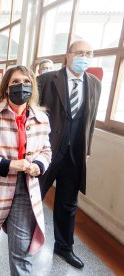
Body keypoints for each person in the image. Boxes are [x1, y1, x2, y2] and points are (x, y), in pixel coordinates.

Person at [0, 65, 52, 276]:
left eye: (25, 81)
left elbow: (46, 150)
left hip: (25, 189)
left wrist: (38, 165)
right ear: (6, 88)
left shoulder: (41, 119)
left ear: (32, 87)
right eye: (15, 82)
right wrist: (7, 165)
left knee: (21, 250)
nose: (20, 86)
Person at [38, 40, 101, 269]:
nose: (84, 56)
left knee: (68, 203)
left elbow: (90, 122)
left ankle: (64, 247)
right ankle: (22, 240)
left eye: (89, 53)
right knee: (34, 196)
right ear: (68, 55)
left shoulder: (94, 84)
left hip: (75, 154)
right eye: (79, 52)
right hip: (47, 152)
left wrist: (88, 151)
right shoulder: (46, 80)